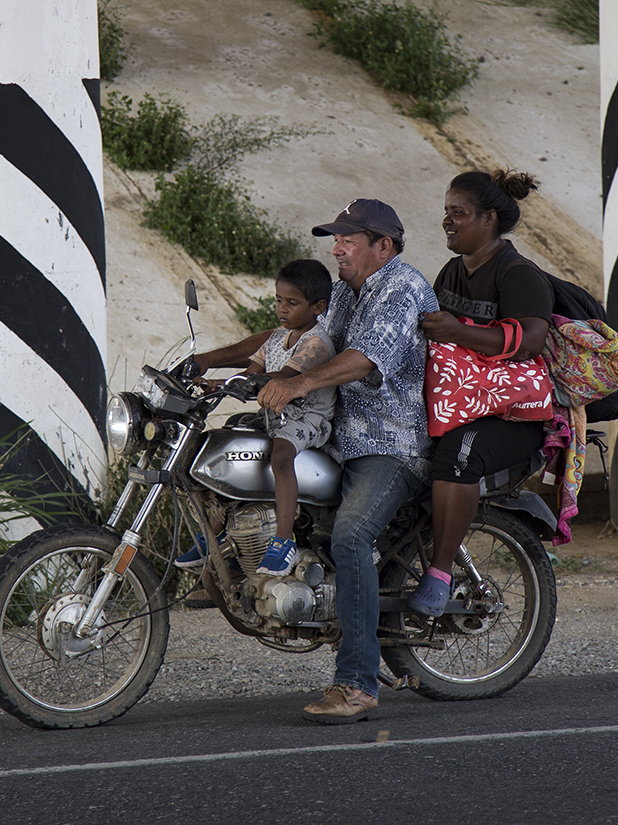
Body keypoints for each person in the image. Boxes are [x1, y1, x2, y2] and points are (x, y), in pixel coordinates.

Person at [201, 198, 438, 724]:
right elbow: (289, 338)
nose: (337, 249)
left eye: (348, 240)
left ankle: (357, 683)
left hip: (390, 446)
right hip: (337, 440)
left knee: (351, 536)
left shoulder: (400, 289)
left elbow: (364, 359)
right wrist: (208, 361)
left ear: (384, 245)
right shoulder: (347, 293)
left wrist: (297, 382)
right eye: (336, 239)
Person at [409, 170, 553, 616]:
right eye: (446, 213)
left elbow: (529, 340)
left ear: (489, 218)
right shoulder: (452, 271)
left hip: (513, 414)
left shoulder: (518, 274)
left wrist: (458, 329)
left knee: (458, 454)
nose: (448, 222)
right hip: (461, 400)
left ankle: (439, 574)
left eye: (459, 213)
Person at [173, 260, 336, 576]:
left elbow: (282, 377)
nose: (282, 309)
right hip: (275, 413)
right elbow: (250, 375)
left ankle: (282, 540)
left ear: (318, 307)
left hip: (308, 417)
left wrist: (242, 383)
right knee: (231, 437)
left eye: (292, 303)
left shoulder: (317, 342)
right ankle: (215, 534)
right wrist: (215, 384)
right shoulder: (277, 337)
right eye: (278, 300)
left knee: (281, 456)